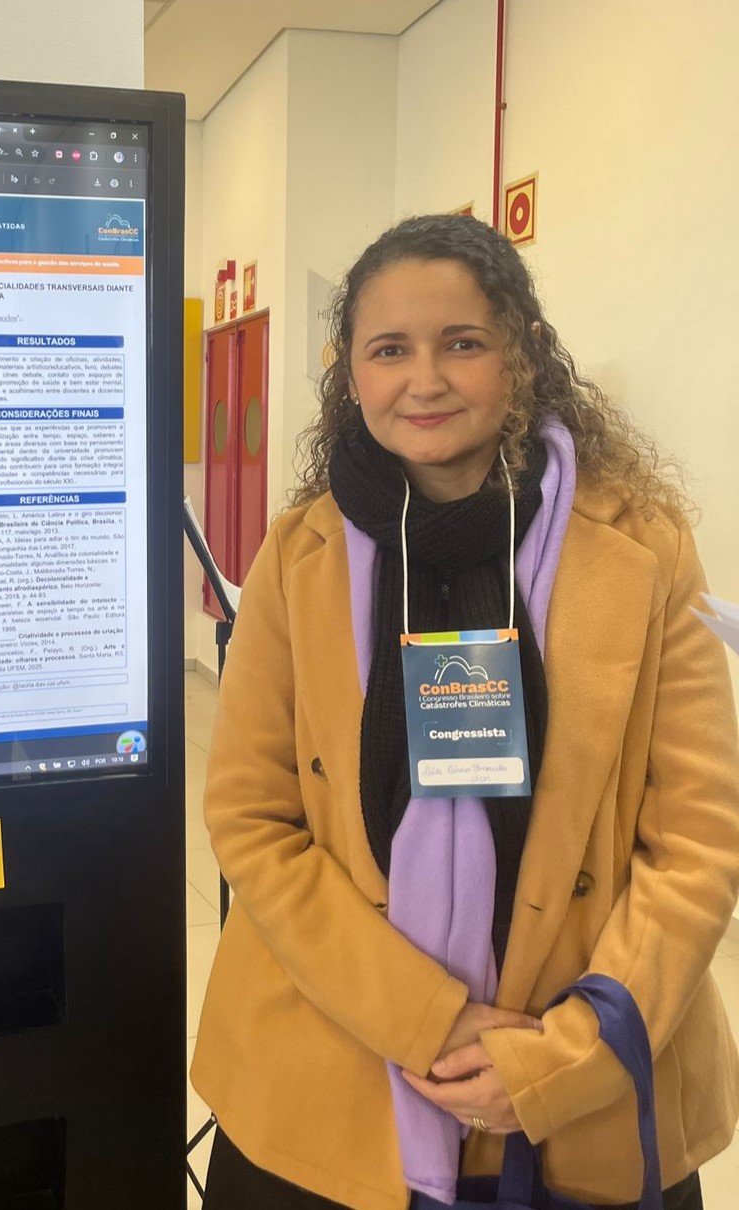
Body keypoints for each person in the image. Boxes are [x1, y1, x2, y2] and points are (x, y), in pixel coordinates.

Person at [190, 214, 739, 1210]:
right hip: (333, 1075)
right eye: (389, 350)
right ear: (350, 373)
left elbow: (698, 837)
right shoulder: (297, 558)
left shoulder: (644, 548)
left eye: (463, 343)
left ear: (522, 354)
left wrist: (569, 1054)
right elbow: (251, 817)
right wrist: (426, 1017)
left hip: (585, 1084)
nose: (425, 379)